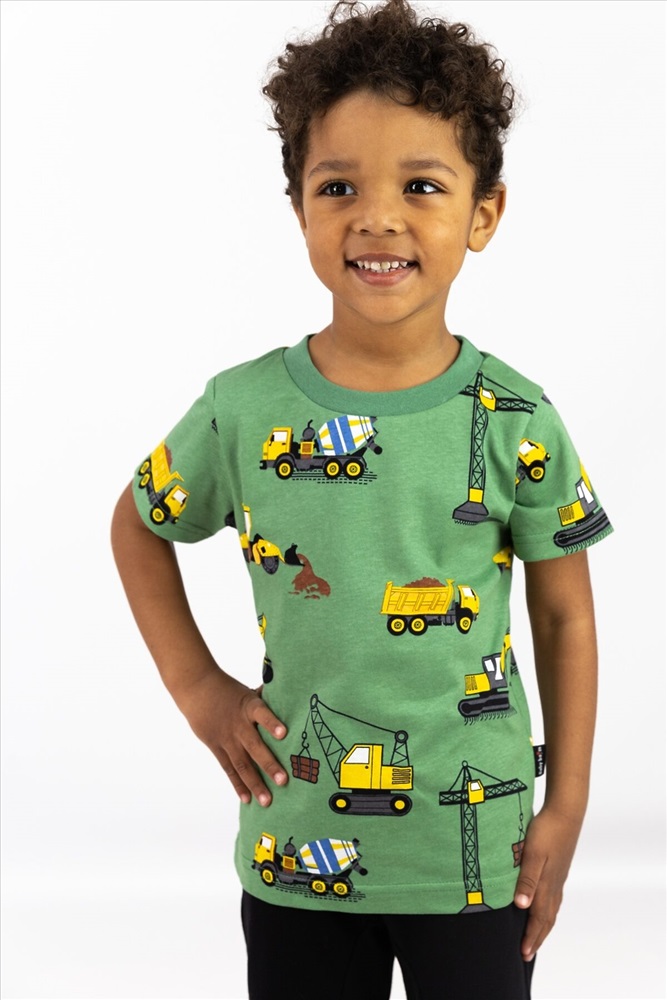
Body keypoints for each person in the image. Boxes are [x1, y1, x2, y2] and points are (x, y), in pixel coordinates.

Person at [111, 2, 612, 997]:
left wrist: (566, 806)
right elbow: (138, 521)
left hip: (478, 860)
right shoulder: (243, 410)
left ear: (483, 213)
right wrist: (197, 687)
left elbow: (565, 616)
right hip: (297, 851)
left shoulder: (515, 417)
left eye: (420, 185)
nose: (377, 217)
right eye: (338, 186)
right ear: (299, 208)